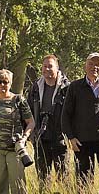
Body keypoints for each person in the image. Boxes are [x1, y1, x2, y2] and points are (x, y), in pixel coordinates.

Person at [61, 52, 99, 189]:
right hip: (82, 141)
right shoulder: (75, 87)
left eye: (97, 64)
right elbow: (65, 115)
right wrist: (71, 138)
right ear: (85, 66)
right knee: (83, 182)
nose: (94, 67)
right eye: (91, 64)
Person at [27, 54, 70, 184]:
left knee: (63, 176)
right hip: (41, 137)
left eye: (50, 66)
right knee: (42, 177)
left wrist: (70, 134)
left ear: (57, 68)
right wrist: (31, 134)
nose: (47, 69)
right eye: (44, 66)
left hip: (60, 137)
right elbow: (28, 111)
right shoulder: (35, 87)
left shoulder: (67, 88)